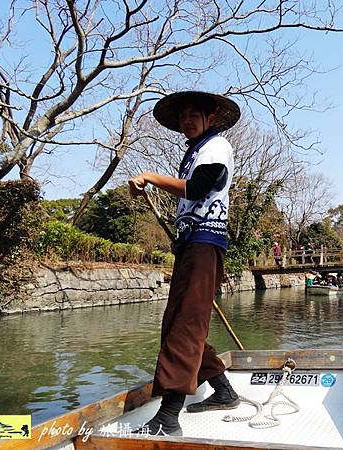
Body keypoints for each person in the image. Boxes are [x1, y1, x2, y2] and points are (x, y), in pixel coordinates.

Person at [128, 91, 241, 437]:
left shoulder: (217, 146)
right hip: (191, 247)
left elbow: (196, 189)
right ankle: (223, 391)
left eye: (194, 115)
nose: (186, 121)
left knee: (185, 327)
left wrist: (150, 176)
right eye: (183, 117)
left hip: (206, 246)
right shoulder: (193, 152)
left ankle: (168, 416)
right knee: (182, 322)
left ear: (210, 119)